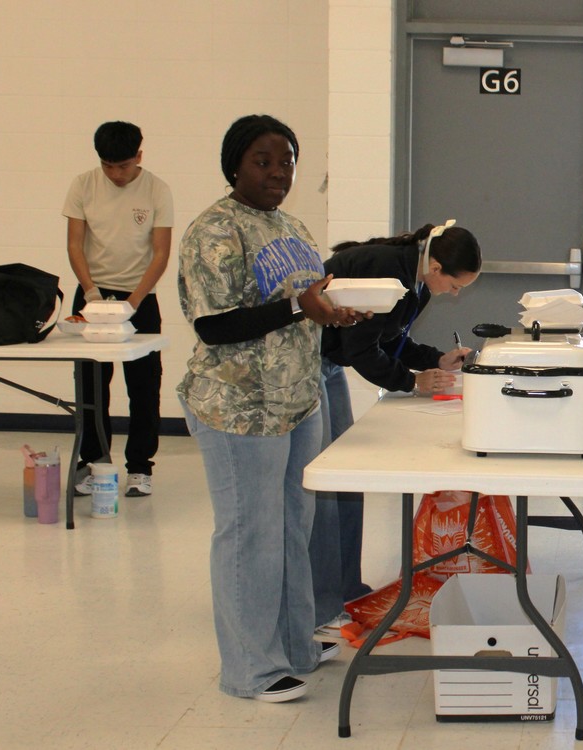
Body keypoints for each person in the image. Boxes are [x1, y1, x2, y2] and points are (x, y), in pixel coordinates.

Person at [176, 114, 359, 702]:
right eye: (264, 161)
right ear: (235, 165)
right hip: (237, 409)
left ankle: (296, 644)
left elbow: (307, 303)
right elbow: (214, 324)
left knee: (292, 528)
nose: (278, 172)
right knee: (249, 533)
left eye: (287, 162)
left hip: (297, 401)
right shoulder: (215, 230)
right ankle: (252, 669)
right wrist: (299, 309)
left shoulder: (291, 224)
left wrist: (334, 311)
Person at [311, 221, 481, 631]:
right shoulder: (390, 272)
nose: (455, 294)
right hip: (311, 362)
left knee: (344, 484)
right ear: (436, 265)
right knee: (328, 482)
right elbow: (360, 349)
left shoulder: (416, 279)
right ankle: (322, 600)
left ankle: (345, 588)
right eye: (456, 286)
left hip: (330, 361)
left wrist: (435, 360)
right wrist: (410, 381)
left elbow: (391, 340)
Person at [63, 120, 173, 498]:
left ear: (138, 157)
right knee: (92, 387)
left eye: (123, 166)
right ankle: (96, 463)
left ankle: (140, 468)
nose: (115, 174)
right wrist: (91, 293)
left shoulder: (157, 189)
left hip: (139, 297)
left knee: (144, 386)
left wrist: (134, 301)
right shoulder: (83, 185)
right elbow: (76, 244)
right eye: (108, 166)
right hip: (93, 297)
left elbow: (160, 252)